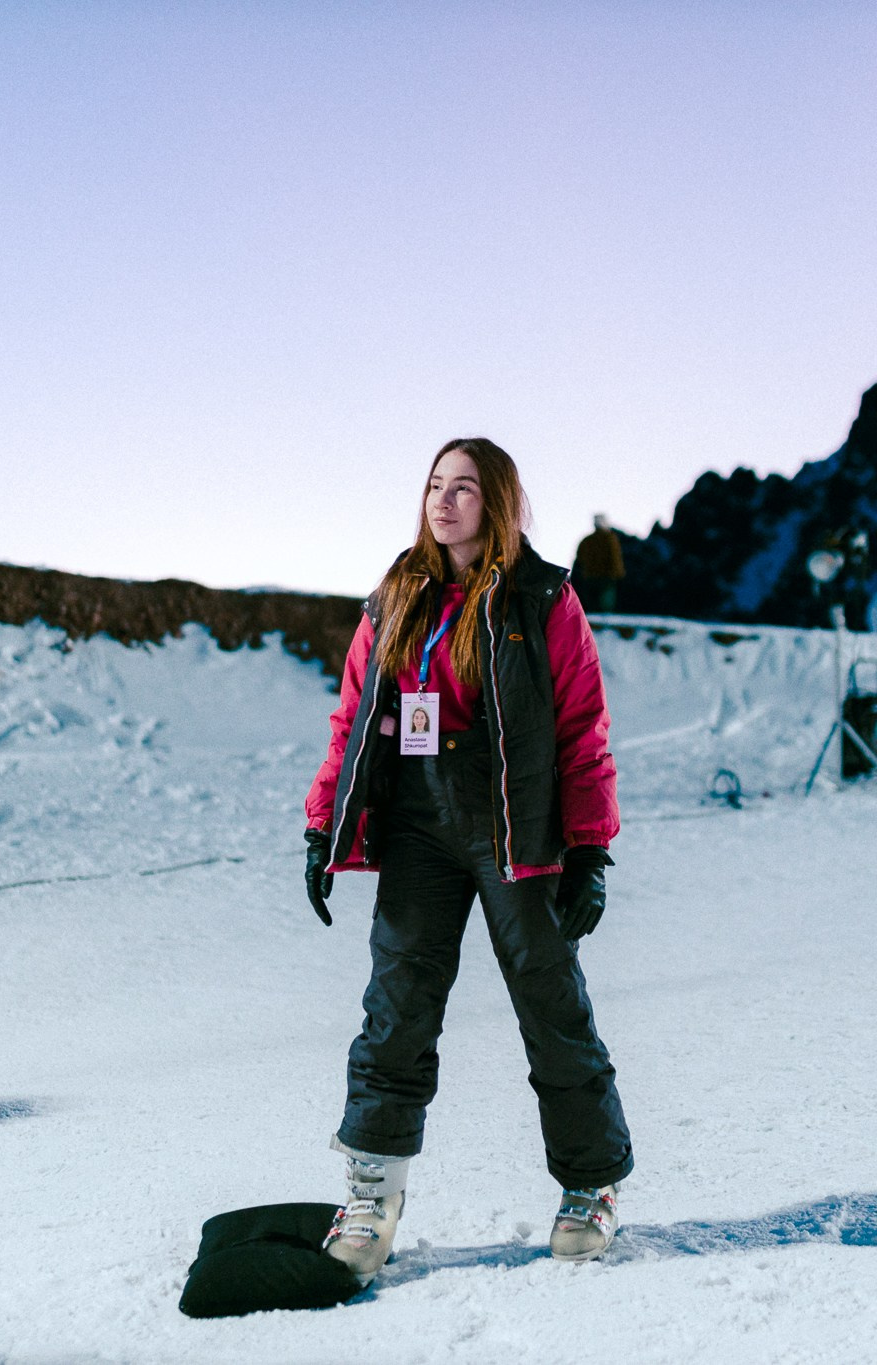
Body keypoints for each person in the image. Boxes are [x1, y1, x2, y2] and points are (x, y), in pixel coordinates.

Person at [302, 437, 631, 1283]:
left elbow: (581, 729)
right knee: (397, 998)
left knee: (546, 992)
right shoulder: (394, 598)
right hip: (417, 814)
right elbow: (350, 722)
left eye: (464, 488)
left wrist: (590, 847)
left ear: (499, 502)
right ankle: (372, 1192)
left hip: (509, 814)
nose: (443, 502)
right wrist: (321, 828)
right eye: (434, 486)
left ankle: (589, 1184)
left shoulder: (543, 597)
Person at [571, 514, 624, 614]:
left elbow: (580, 558)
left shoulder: (587, 540)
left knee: (593, 601)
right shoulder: (610, 539)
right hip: (606, 576)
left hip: (591, 575)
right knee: (605, 602)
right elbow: (615, 557)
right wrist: (618, 573)